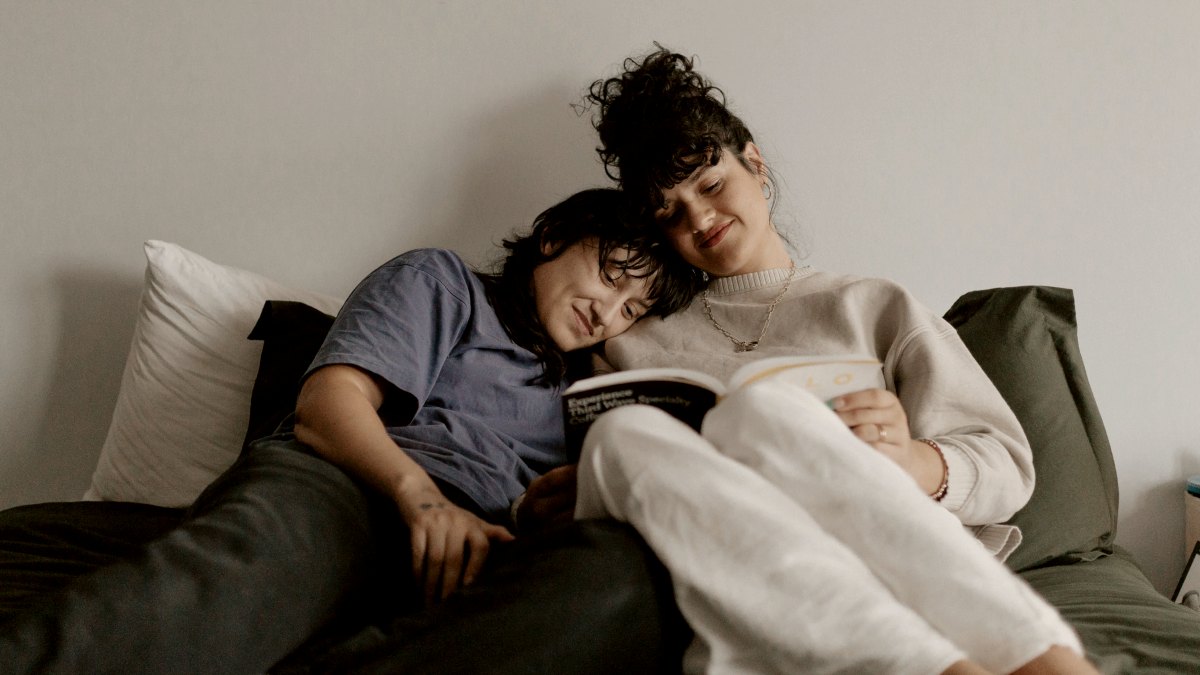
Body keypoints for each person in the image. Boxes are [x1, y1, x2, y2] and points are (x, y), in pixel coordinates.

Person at [0, 188, 699, 673]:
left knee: (623, 587)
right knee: (259, 569)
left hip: (484, 549)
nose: (611, 313)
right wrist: (421, 498)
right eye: (611, 276)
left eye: (633, 308)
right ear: (553, 236)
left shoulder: (589, 390)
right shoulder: (446, 284)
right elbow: (328, 402)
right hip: (351, 487)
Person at [572, 47, 1102, 675]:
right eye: (671, 213)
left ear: (755, 163)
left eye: (711, 186)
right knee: (618, 435)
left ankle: (1029, 658)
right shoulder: (633, 341)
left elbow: (1007, 466)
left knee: (763, 412)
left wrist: (912, 461)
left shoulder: (871, 305)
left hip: (892, 575)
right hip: (743, 585)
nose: (701, 218)